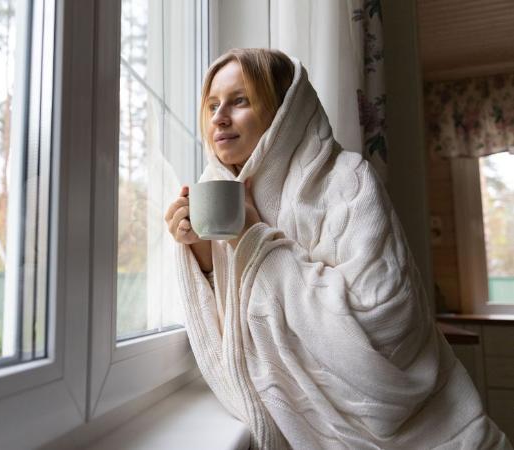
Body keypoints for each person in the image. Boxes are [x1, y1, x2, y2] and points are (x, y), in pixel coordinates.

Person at [166, 48, 510, 450]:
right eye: (211, 106)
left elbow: (388, 328)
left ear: (284, 110)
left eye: (239, 101)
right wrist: (205, 259)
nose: (219, 118)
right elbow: (236, 345)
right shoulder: (218, 193)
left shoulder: (347, 181)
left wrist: (255, 238)